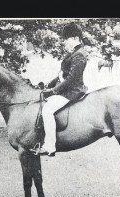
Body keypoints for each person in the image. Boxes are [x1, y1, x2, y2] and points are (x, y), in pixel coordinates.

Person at [31, 22, 89, 156]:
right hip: (66, 89)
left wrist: (53, 91)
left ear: (75, 38)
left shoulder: (79, 54)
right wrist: (47, 85)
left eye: (66, 39)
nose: (65, 42)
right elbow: (60, 75)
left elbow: (71, 80)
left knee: (47, 110)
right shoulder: (74, 52)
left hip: (72, 91)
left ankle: (50, 146)